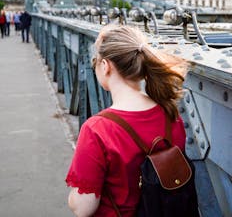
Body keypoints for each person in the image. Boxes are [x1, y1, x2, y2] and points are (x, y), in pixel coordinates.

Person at [65, 25, 188, 217]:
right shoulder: (171, 115)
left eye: (95, 62)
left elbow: (83, 208)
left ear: (105, 66)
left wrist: (72, 198)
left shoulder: (97, 129)